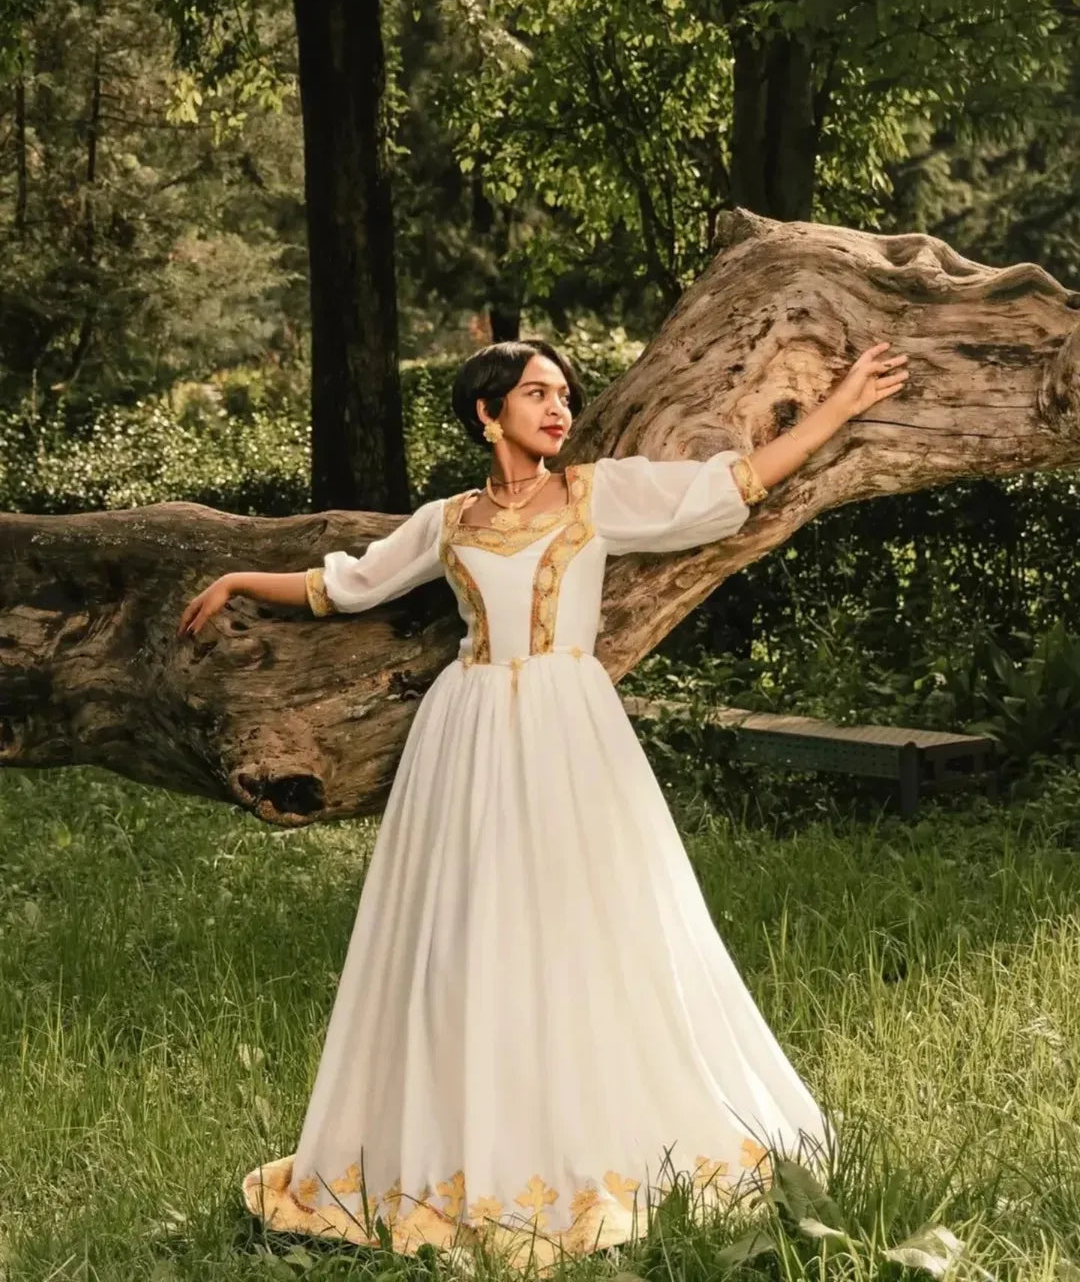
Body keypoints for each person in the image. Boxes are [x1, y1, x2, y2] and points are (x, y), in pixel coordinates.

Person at [177, 337, 908, 1273]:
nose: (558, 408)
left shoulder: (601, 495)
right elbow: (343, 585)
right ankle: (468, 1139)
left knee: (593, 924)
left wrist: (839, 404)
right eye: (536, 394)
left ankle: (587, 1133)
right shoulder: (446, 523)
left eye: (564, 393)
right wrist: (241, 579)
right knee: (467, 935)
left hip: (569, 729)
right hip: (469, 732)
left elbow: (733, 486)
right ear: (488, 414)